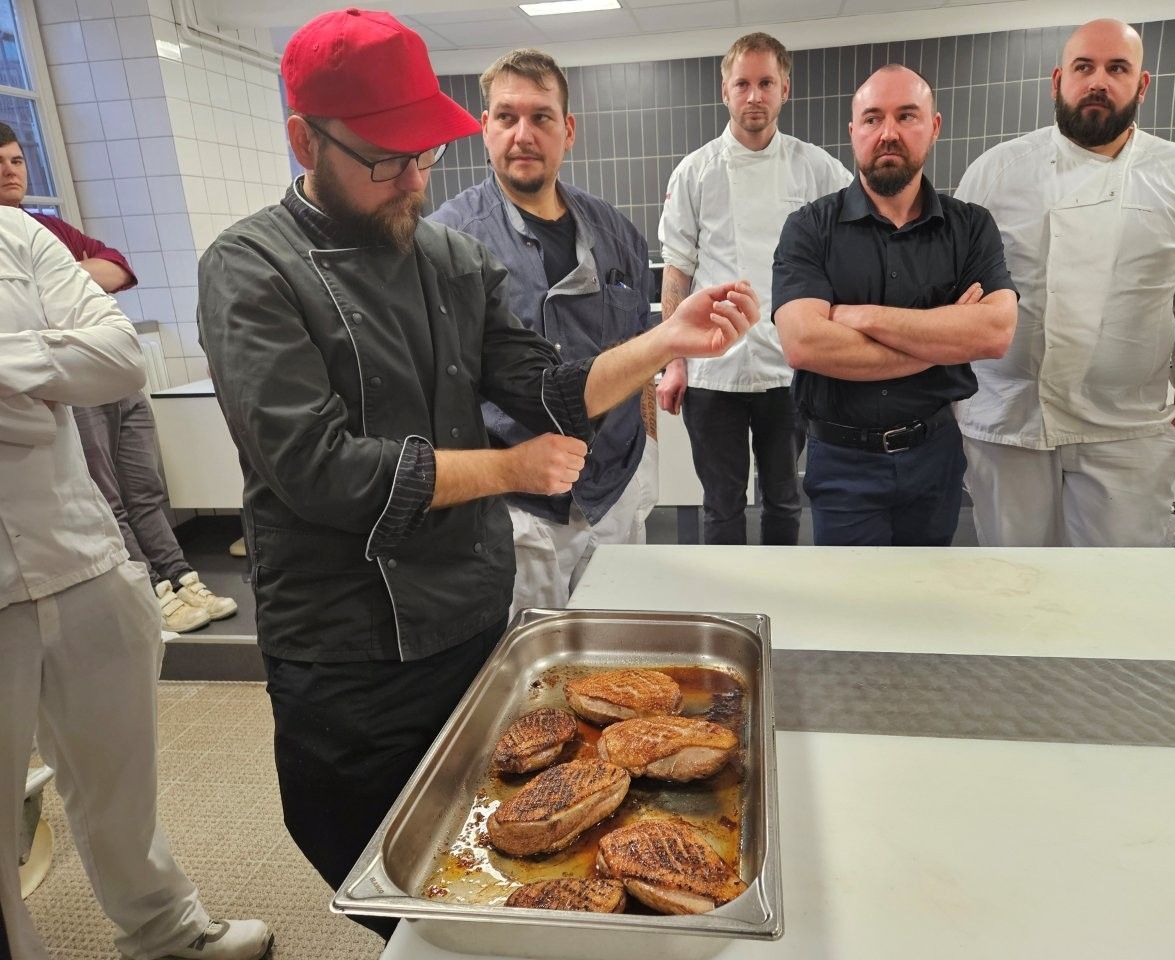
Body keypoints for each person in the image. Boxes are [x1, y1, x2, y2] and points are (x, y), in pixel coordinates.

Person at [196, 7, 757, 939]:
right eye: (387, 160)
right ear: (305, 138)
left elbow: (547, 386)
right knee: (356, 841)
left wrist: (664, 337)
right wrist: (505, 469)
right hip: (347, 638)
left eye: (423, 155)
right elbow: (317, 467)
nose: (414, 179)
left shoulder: (448, 259)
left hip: (469, 616)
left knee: (490, 850)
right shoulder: (252, 268)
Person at [0, 207, 271, 960]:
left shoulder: (18, 236)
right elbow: (74, 371)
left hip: (79, 554)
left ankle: (165, 931)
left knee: (118, 782)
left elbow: (118, 359)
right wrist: (42, 378)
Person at [954, 19, 1175, 548]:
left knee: (1117, 601)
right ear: (1058, 80)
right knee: (1015, 590)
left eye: (1117, 68)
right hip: (1008, 429)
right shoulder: (995, 173)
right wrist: (963, 415)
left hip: (1128, 436)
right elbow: (955, 306)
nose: (1098, 81)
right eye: (1084, 67)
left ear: (1142, 84)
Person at [430, 49, 656, 612]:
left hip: (616, 490)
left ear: (568, 130)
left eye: (541, 117)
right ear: (484, 128)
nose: (523, 133)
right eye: (506, 117)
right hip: (518, 507)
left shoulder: (616, 233)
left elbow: (640, 352)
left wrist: (648, 447)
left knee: (621, 654)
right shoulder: (445, 243)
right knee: (533, 669)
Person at [0, 122, 236, 633]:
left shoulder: (42, 228)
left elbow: (120, 270)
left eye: (17, 160)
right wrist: (67, 280)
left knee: (146, 489)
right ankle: (150, 590)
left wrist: (55, 276)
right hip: (71, 389)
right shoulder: (19, 241)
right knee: (106, 494)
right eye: (0, 162)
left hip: (117, 378)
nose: (10, 171)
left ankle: (181, 575)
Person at [773, 65, 1017, 546]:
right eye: (872, 119)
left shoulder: (970, 227)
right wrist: (945, 337)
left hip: (935, 456)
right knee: (851, 611)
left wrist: (858, 317)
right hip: (842, 460)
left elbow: (994, 334)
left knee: (924, 603)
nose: (888, 133)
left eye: (907, 116)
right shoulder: (809, 228)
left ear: (934, 126)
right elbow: (804, 343)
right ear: (853, 131)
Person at [658, 32, 852, 545]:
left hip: (787, 369)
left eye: (766, 83)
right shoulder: (695, 172)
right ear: (725, 91)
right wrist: (674, 360)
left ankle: (779, 601)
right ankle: (726, 610)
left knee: (785, 501)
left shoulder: (818, 169)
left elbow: (847, 257)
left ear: (785, 89)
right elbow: (676, 270)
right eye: (742, 83)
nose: (754, 96)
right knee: (720, 506)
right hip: (712, 371)